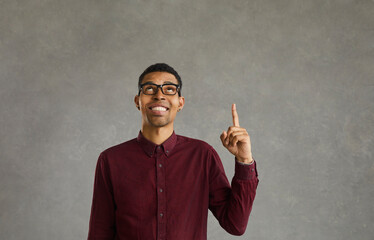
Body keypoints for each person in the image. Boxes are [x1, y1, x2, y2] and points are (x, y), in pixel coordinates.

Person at [87, 63, 259, 240]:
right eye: (149, 89)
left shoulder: (202, 155)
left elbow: (235, 224)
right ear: (138, 101)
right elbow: (100, 232)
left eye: (169, 89)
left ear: (180, 103)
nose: (159, 95)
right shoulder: (111, 160)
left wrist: (244, 160)